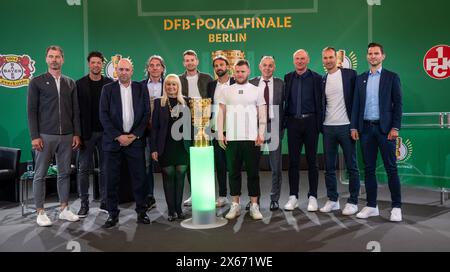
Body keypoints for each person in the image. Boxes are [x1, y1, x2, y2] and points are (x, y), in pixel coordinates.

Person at [27, 45, 81, 226]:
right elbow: (31, 111)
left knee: (64, 173)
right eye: (51, 56)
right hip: (45, 136)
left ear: (63, 59)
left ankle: (64, 208)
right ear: (46, 59)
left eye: (57, 57)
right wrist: (35, 136)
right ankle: (40, 211)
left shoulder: (70, 83)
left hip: (67, 136)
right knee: (40, 175)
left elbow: (75, 111)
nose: (54, 60)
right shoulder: (37, 81)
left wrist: (76, 134)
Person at [351, 42, 403, 222]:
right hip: (365, 129)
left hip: (385, 130)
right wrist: (354, 126)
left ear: (383, 56)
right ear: (367, 57)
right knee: (369, 169)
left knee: (391, 169)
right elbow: (356, 105)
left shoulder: (392, 77)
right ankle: (371, 205)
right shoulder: (360, 78)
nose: (373, 56)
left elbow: (398, 104)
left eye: (376, 53)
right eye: (370, 54)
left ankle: (396, 206)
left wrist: (395, 127)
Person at [99, 58, 150, 228]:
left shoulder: (141, 88)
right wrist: (117, 136)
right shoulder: (107, 89)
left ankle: (142, 212)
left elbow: (146, 115)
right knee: (111, 180)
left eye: (127, 70)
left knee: (139, 178)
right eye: (120, 69)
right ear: (116, 71)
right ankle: (112, 214)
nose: (124, 72)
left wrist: (135, 135)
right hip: (113, 142)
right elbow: (103, 115)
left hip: (135, 141)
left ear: (132, 71)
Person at [217, 59, 266, 220]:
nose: (240, 74)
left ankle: (254, 205)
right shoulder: (226, 90)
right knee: (233, 173)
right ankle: (235, 205)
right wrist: (220, 133)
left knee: (253, 173)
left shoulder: (257, 90)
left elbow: (262, 113)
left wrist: (261, 133)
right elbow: (221, 112)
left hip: (252, 138)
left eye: (243, 71)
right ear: (233, 72)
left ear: (248, 72)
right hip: (232, 139)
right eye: (237, 71)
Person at [319, 47, 360, 215]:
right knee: (329, 167)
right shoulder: (323, 79)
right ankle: (333, 200)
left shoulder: (350, 75)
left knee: (352, 166)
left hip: (346, 126)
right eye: (325, 58)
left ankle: (353, 201)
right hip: (328, 128)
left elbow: (357, 101)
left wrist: (354, 125)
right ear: (323, 60)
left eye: (331, 57)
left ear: (337, 58)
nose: (328, 60)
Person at [283, 49, 323, 212]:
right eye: (297, 59)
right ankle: (293, 196)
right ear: (294, 61)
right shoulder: (288, 77)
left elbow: (320, 102)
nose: (300, 61)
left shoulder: (317, 78)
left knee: (312, 161)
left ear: (308, 60)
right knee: (293, 161)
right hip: (293, 122)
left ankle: (313, 196)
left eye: (302, 59)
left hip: (311, 122)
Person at [76, 51, 113, 217]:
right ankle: (84, 203)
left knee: (106, 169)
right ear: (89, 64)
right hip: (86, 134)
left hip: (106, 133)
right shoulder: (79, 84)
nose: (96, 65)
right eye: (93, 62)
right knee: (83, 169)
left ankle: (105, 201)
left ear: (102, 64)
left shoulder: (110, 83)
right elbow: (75, 112)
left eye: (99, 62)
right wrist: (76, 134)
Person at [151, 74, 190, 221]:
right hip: (165, 147)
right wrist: (154, 148)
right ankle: (171, 211)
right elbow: (154, 128)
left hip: (182, 147)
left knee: (180, 177)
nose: (171, 87)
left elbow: (190, 127)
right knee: (168, 177)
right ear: (165, 86)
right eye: (168, 84)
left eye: (174, 84)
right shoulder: (159, 103)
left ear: (178, 86)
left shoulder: (186, 102)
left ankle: (179, 210)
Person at [249, 56, 285, 211]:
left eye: (270, 65)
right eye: (265, 65)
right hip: (255, 127)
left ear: (274, 67)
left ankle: (274, 198)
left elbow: (286, 106)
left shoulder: (281, 84)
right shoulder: (251, 83)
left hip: (274, 125)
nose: (267, 68)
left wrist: (281, 127)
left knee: (276, 167)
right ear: (259, 66)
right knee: (252, 166)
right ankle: (253, 200)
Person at [179, 49, 213, 206]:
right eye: (187, 60)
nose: (190, 62)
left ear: (197, 61)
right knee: (190, 158)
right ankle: (194, 193)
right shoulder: (178, 80)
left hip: (205, 125)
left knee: (204, 159)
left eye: (192, 60)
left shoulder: (207, 78)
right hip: (185, 124)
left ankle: (208, 192)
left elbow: (213, 100)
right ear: (183, 63)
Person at [206, 55, 235, 208]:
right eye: (216, 65)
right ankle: (222, 195)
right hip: (215, 130)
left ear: (227, 66)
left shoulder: (236, 83)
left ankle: (236, 197)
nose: (219, 68)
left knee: (234, 165)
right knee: (220, 164)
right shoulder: (211, 85)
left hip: (234, 130)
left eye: (221, 65)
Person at [140, 55, 166, 211]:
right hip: (146, 131)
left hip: (165, 132)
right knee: (146, 165)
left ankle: (173, 199)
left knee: (168, 166)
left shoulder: (169, 85)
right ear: (147, 68)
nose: (155, 68)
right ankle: (149, 197)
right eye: (152, 65)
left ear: (162, 68)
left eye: (158, 65)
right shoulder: (140, 86)